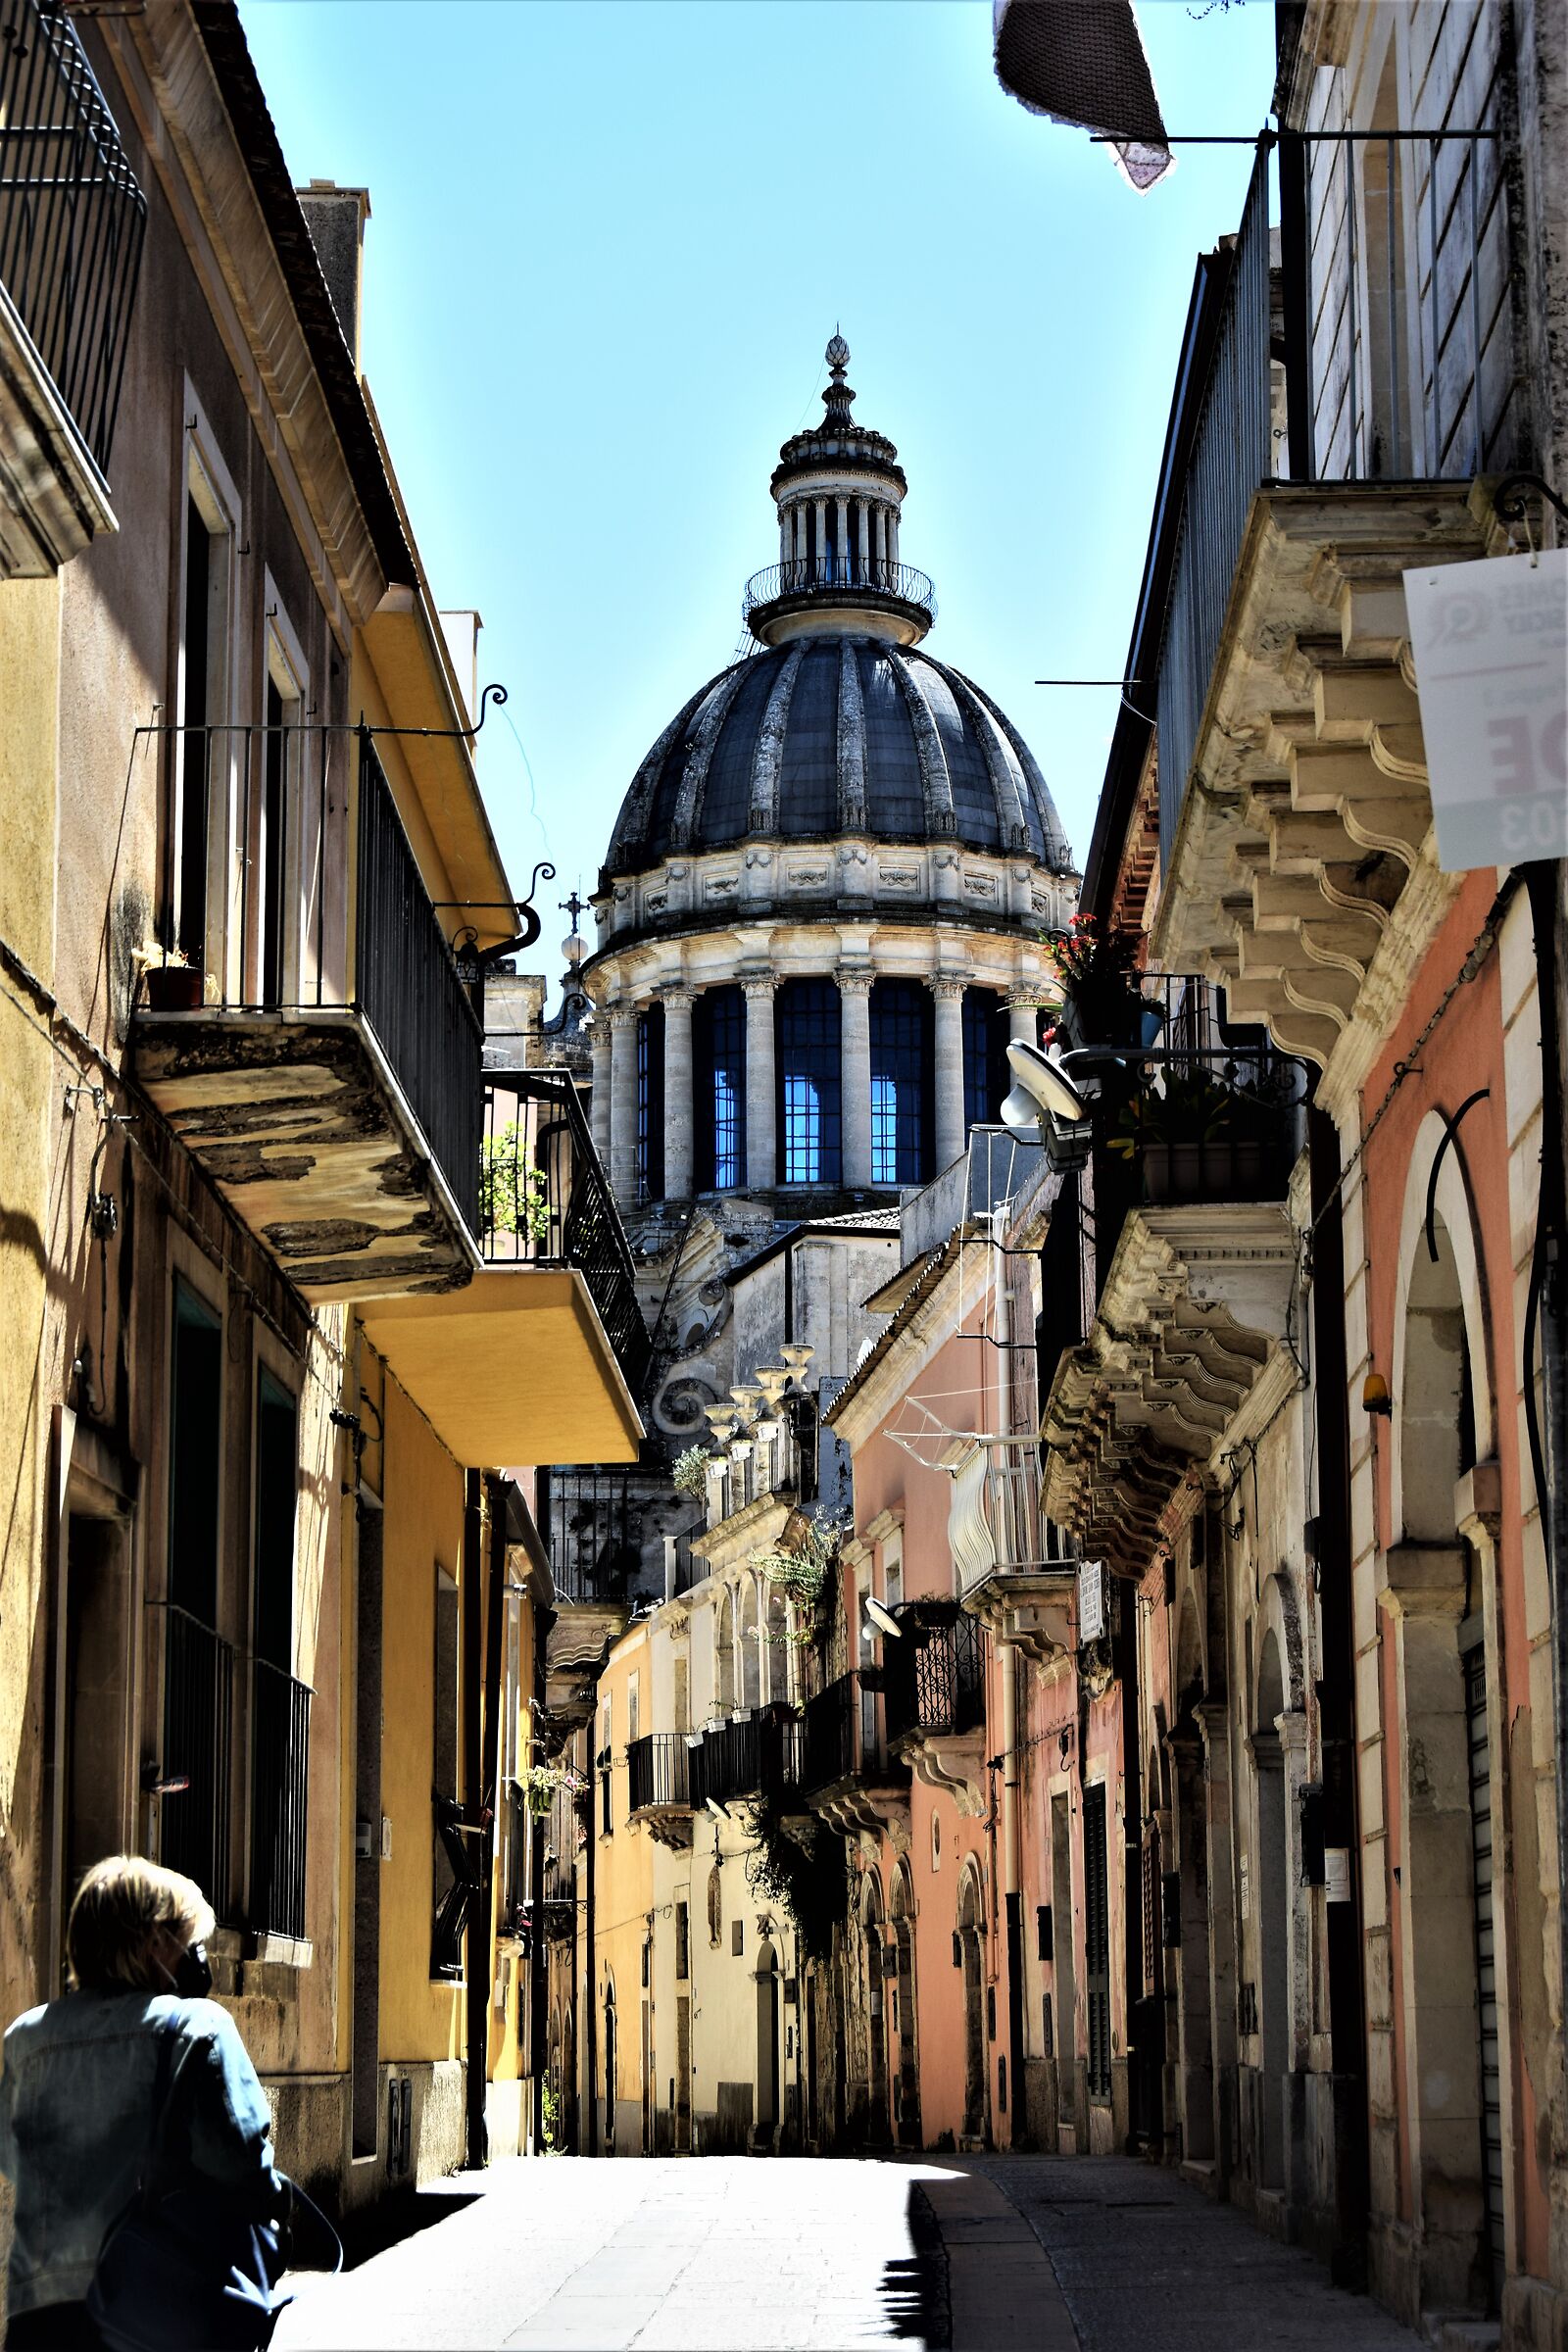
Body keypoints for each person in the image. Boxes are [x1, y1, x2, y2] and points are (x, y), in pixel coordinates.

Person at [0, 1855, 285, 2348]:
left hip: (39, 2318)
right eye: (190, 1941)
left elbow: (10, 2158)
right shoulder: (197, 2027)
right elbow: (243, 2166)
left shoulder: (23, 2040)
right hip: (154, 2308)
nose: (200, 1958)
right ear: (154, 1942)